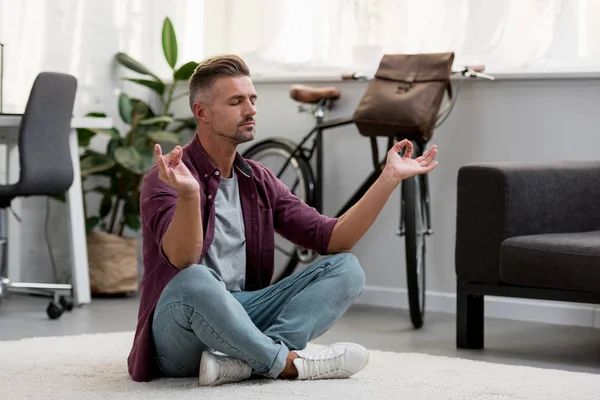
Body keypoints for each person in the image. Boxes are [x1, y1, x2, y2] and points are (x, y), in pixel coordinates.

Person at [127, 54, 438, 386]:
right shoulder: (167, 178)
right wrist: (190, 196)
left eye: (252, 99)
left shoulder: (258, 179)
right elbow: (182, 259)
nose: (251, 110)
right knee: (196, 280)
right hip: (177, 333)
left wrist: (388, 177)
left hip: (242, 317)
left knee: (347, 269)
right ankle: (286, 363)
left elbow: (332, 238)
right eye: (236, 101)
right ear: (201, 112)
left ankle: (249, 360)